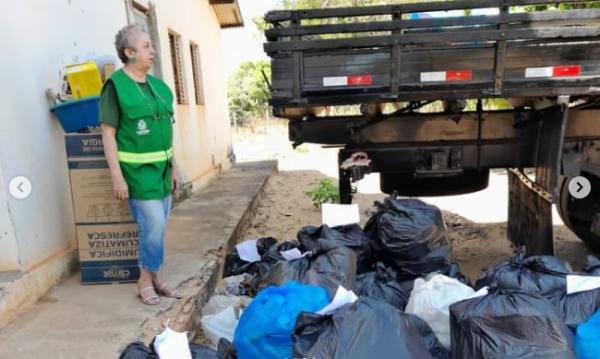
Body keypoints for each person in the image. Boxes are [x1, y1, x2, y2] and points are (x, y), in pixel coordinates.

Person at [100, 24, 181, 305]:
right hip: (136, 174)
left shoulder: (160, 88)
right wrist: (116, 176)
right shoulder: (116, 87)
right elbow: (108, 132)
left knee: (159, 226)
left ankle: (156, 275)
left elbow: (167, 132)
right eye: (146, 46)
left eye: (151, 45)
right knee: (153, 224)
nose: (152, 50)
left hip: (162, 171)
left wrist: (174, 166)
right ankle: (144, 280)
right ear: (129, 52)